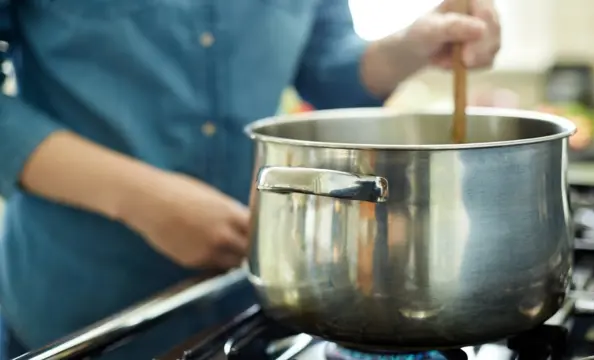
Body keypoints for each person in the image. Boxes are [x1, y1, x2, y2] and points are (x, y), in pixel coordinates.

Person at [0, 0, 501, 358]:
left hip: (251, 303)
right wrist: (139, 197)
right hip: (81, 307)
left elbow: (330, 68)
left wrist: (411, 44)